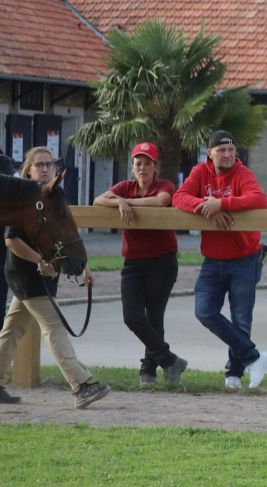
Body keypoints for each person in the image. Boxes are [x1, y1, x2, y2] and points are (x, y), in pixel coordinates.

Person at [0, 148, 108, 408]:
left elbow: (66, 235)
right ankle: (82, 384)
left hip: (43, 277)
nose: (46, 169)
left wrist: (84, 267)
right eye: (40, 165)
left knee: (12, 330)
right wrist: (40, 261)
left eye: (50, 164)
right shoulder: (26, 199)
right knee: (54, 326)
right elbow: (11, 240)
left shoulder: (54, 198)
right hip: (27, 275)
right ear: (28, 170)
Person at [174, 129, 267, 390]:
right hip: (213, 259)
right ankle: (255, 357)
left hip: (245, 258)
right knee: (204, 311)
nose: (228, 154)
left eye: (231, 150)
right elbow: (178, 197)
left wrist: (222, 204)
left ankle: (234, 374)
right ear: (210, 153)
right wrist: (207, 208)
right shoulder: (199, 173)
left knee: (241, 318)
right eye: (222, 150)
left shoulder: (243, 173)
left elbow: (259, 199)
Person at [95, 141, 186, 388]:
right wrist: (119, 201)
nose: (142, 168)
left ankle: (148, 371)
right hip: (133, 262)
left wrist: (127, 202)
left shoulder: (164, 185)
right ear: (132, 167)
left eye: (147, 163)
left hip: (162, 261)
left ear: (155, 166)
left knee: (155, 317)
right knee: (132, 316)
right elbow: (98, 200)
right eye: (138, 163)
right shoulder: (125, 187)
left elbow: (161, 201)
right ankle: (169, 360)